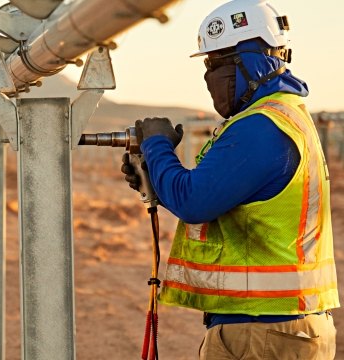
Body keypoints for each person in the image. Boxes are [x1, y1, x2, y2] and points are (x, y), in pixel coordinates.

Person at [121, 0, 340, 358]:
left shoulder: (261, 127)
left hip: (265, 333)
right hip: (280, 328)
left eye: (217, 64)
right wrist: (158, 182)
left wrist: (157, 145)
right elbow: (225, 200)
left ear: (251, 60)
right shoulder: (284, 117)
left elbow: (194, 201)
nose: (210, 77)